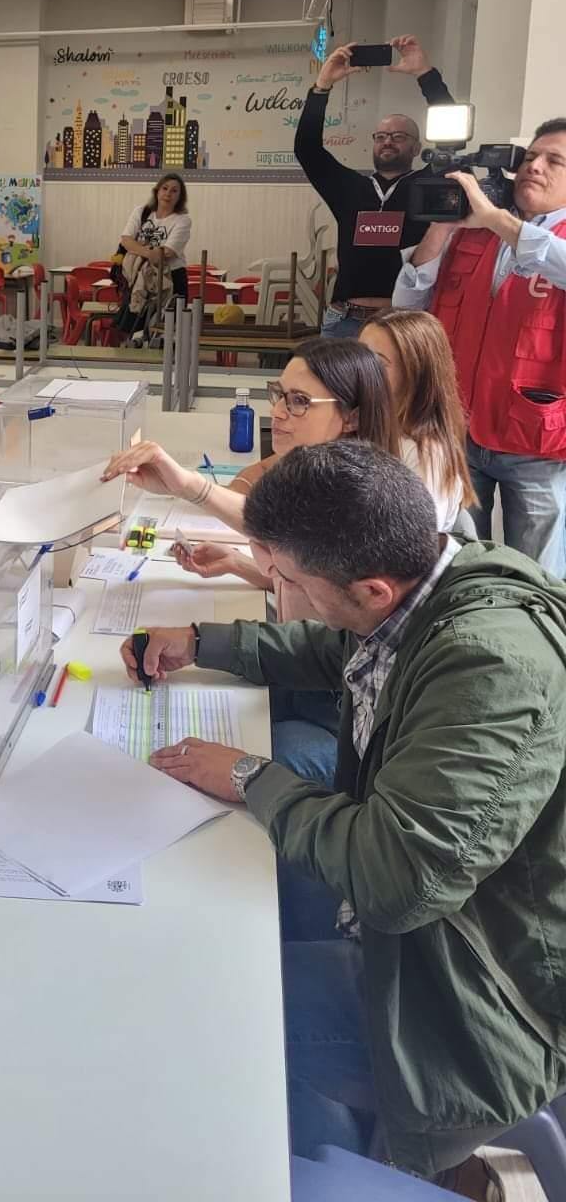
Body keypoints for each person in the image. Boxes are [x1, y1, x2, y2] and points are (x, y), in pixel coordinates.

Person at [120, 442, 566, 1195]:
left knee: (223, 1016)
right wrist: (206, 642)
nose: (276, 590)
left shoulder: (491, 668)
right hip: (439, 944)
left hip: (483, 997)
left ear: (374, 587)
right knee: (229, 957)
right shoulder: (440, 586)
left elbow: (397, 881)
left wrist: (250, 775)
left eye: (288, 580)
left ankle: (371, 1165)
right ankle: (357, 1144)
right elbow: (348, 649)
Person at [103, 337, 397, 785]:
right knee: (191, 723)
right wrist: (229, 586)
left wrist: (190, 487)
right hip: (305, 678)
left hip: (341, 723)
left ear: (351, 417)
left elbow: (300, 552)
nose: (278, 412)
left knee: (212, 757)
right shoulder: (306, 479)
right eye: (279, 394)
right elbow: (309, 592)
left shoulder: (364, 500)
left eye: (300, 402)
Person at [393, 118, 566, 574]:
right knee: (454, 561)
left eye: (554, 161)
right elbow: (408, 301)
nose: (535, 167)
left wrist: (495, 218)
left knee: (537, 573)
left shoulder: (540, 236)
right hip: (458, 428)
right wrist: (442, 226)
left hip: (537, 442)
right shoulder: (474, 232)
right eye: (530, 157)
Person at [295, 34, 454, 338]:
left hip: (403, 322)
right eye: (380, 136)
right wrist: (322, 86)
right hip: (344, 321)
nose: (387, 142)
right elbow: (307, 149)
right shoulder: (350, 188)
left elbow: (452, 140)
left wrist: (425, 74)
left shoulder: (428, 184)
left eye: (398, 136)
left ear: (417, 147)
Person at [358, 308, 475, 534]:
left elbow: (408, 550)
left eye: (378, 364)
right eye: (359, 356)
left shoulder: (427, 456)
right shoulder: (363, 425)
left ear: (415, 373)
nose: (360, 370)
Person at [117, 172, 192, 340]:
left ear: (180, 196)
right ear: (157, 191)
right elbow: (125, 240)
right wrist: (149, 252)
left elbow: (167, 253)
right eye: (164, 188)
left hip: (171, 278)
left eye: (174, 191)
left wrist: (139, 248)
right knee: (135, 332)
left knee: (166, 333)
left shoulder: (182, 220)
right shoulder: (141, 212)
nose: (168, 193)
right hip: (139, 279)